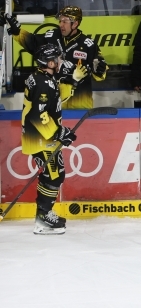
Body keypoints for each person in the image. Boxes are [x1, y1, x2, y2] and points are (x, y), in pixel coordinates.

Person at [2, 6, 108, 110]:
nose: (61, 24)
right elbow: (33, 43)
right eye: (60, 21)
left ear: (75, 23)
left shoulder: (88, 44)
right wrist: (17, 32)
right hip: (55, 104)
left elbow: (100, 74)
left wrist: (100, 70)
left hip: (80, 105)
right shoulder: (52, 36)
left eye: (65, 21)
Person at [21, 43, 77, 234]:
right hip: (40, 138)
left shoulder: (44, 78)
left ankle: (44, 214)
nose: (61, 61)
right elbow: (39, 115)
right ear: (50, 63)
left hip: (44, 136)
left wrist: (71, 81)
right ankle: (43, 219)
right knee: (53, 175)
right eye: (58, 58)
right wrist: (59, 132)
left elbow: (55, 101)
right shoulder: (43, 83)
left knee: (54, 174)